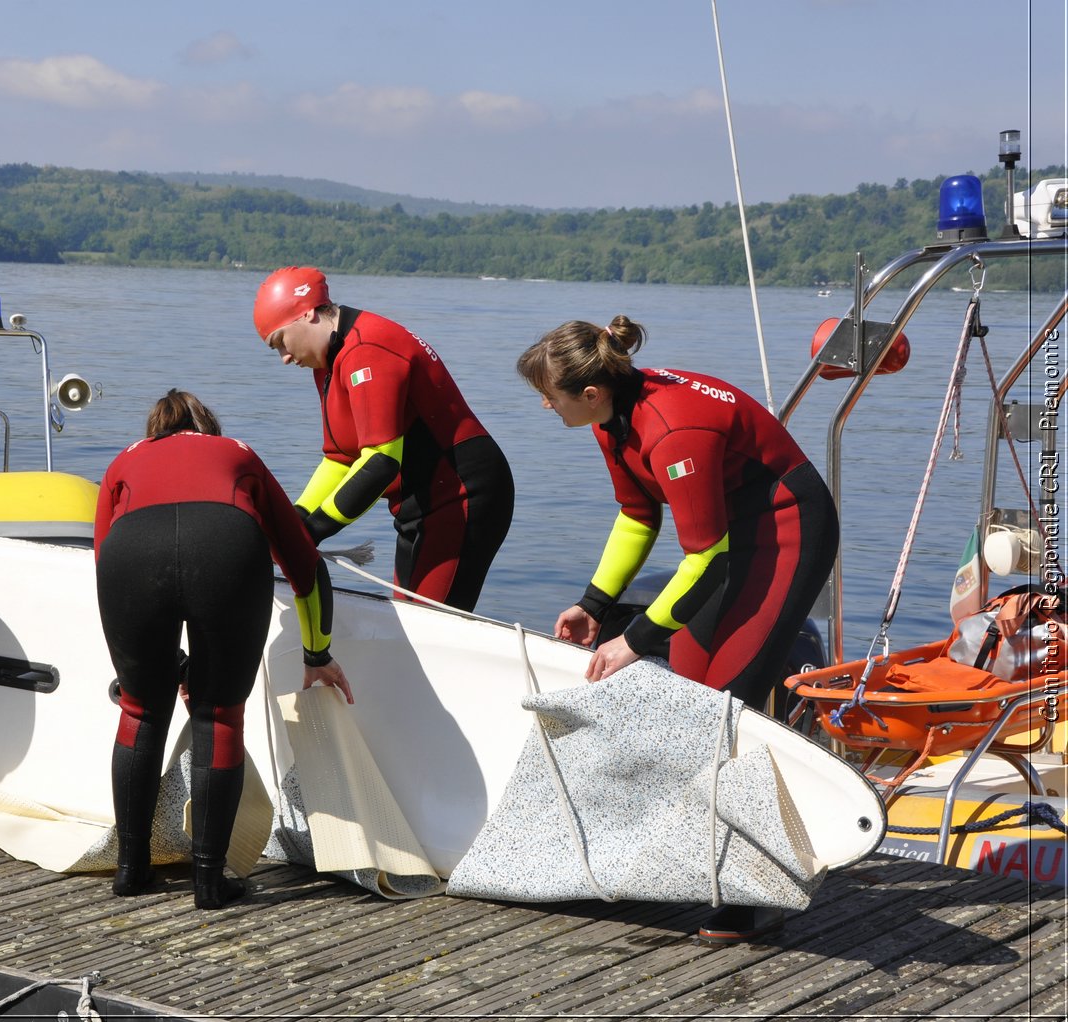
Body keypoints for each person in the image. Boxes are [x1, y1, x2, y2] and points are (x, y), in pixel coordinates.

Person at [517, 315, 840, 946]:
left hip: (784, 530)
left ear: (589, 393)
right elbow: (638, 514)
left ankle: (758, 892)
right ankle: (687, 863)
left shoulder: (670, 428)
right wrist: (594, 601)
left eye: (547, 394)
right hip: (724, 540)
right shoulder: (611, 415)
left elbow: (706, 558)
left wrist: (632, 641)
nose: (542, 404)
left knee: (723, 708)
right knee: (686, 697)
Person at [95, 390, 353, 909]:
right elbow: (304, 563)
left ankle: (130, 868)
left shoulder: (124, 459)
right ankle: (210, 881)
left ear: (154, 429)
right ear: (207, 426)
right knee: (220, 715)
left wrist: (134, 668)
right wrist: (317, 652)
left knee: (141, 710)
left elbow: (103, 556)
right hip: (225, 547)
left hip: (130, 555)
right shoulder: (237, 452)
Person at [252, 266, 514, 611]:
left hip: (463, 495)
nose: (284, 358)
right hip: (420, 504)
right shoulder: (327, 363)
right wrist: (296, 518)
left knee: (427, 626)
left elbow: (380, 463)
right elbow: (340, 459)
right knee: (408, 617)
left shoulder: (367, 347)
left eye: (280, 342)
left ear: (307, 314)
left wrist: (312, 530)